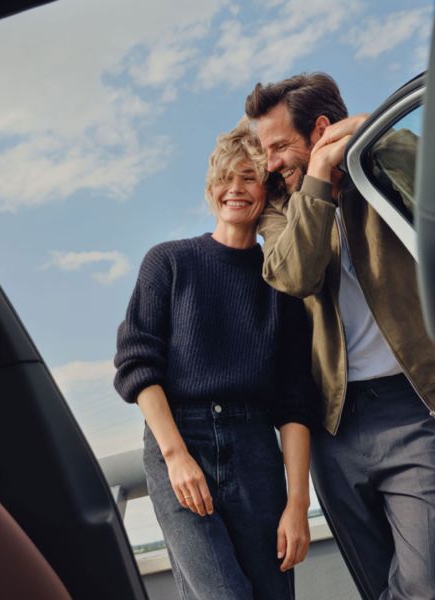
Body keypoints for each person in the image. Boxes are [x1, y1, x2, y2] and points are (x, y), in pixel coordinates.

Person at [246, 73, 435, 600]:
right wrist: (317, 177)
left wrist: (375, 132)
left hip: (413, 408)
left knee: (426, 588)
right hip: (335, 426)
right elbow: (292, 274)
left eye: (280, 145)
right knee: (379, 588)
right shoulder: (283, 206)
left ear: (320, 128)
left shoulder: (382, 161)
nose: (271, 162)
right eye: (266, 149)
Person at [113, 119, 318, 600]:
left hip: (256, 451)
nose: (236, 189)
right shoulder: (168, 262)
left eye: (250, 177)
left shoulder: (281, 284)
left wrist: (297, 502)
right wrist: (176, 457)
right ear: (211, 189)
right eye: (227, 177)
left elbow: (295, 399)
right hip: (181, 443)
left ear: (267, 191)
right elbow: (137, 364)